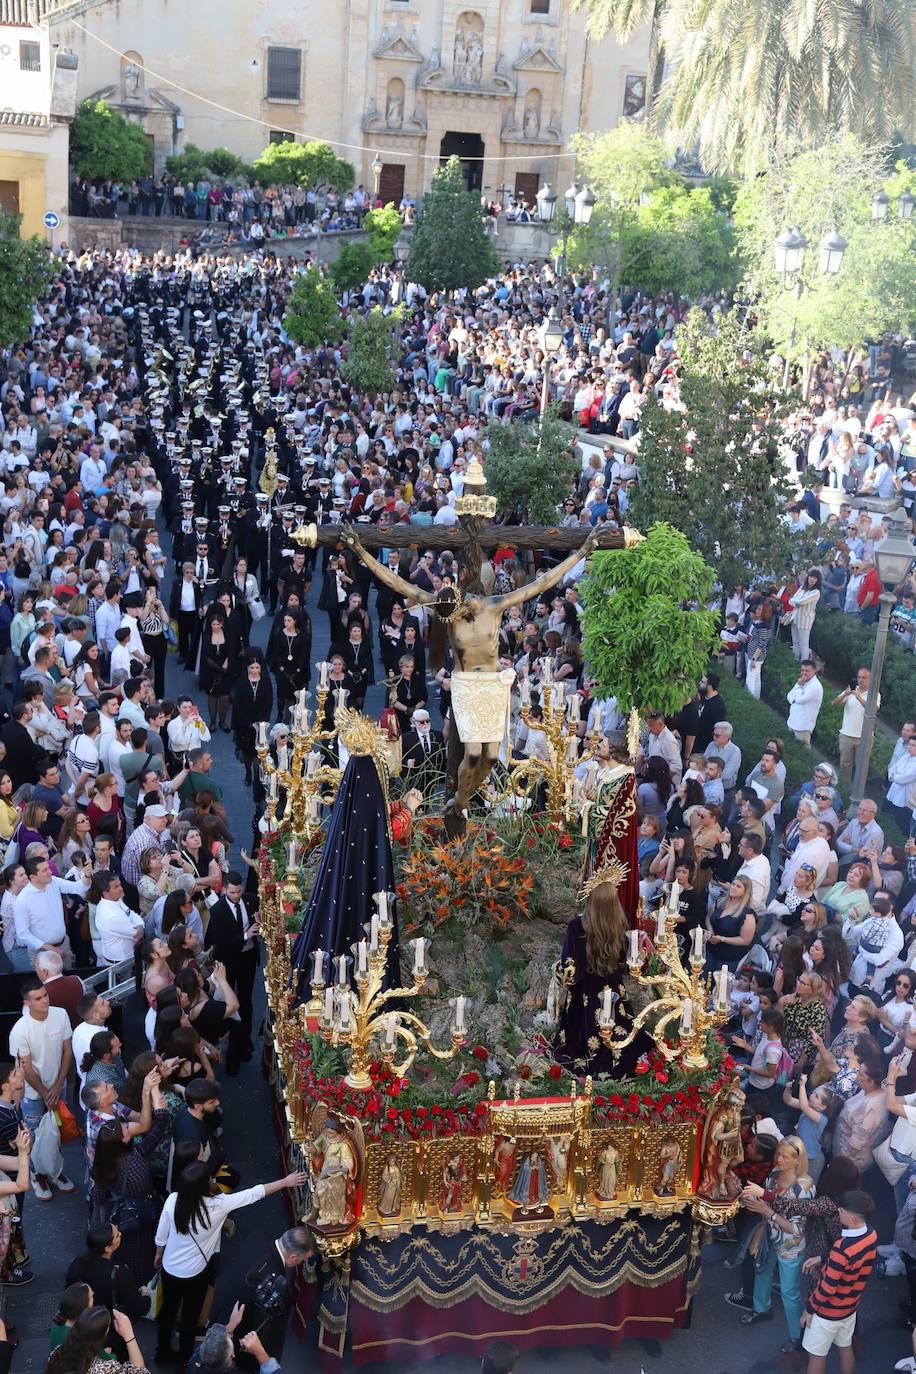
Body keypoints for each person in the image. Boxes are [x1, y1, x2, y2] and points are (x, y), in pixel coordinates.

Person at [154, 1162, 308, 1364]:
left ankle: (163, 1352)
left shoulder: (173, 1200)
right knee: (189, 1320)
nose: (213, 1180)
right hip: (195, 1274)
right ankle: (184, 1360)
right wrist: (286, 1182)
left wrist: (158, 1256)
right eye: (210, 1179)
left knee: (168, 1310)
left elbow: (161, 1238)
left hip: (170, 1268)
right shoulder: (218, 1205)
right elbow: (254, 1193)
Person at [8, 975, 74, 1200]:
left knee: (55, 1133)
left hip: (58, 1088)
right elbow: (25, 1067)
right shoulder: (20, 1030)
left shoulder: (61, 1014)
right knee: (35, 1136)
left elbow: (67, 1050)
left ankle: (55, 1171)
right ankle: (37, 1174)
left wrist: (57, 1086)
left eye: (45, 995)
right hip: (33, 1095)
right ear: (27, 1003)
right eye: (38, 998)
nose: (44, 1000)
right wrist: (46, 1093)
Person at [800, 1190, 877, 1373]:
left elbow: (827, 1288)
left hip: (827, 1313)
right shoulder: (871, 1234)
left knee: (817, 1356)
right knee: (845, 1347)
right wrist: (823, 1257)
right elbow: (847, 1259)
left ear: (852, 1218)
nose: (838, 1212)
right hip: (849, 1308)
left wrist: (809, 1310)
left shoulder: (841, 1248)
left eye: (841, 1211)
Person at [46, 1304, 147, 1374]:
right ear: (103, 1335)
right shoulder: (104, 1369)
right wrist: (129, 1335)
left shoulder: (57, 1352)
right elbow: (140, 1372)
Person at [786, 660, 824, 745]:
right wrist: (794, 699)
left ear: (814, 671)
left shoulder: (816, 687)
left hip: (802, 727)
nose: (804, 673)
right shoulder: (802, 681)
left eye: (807, 671)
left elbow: (800, 700)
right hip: (792, 722)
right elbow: (789, 695)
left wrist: (799, 687)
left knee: (803, 753)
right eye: (802, 670)